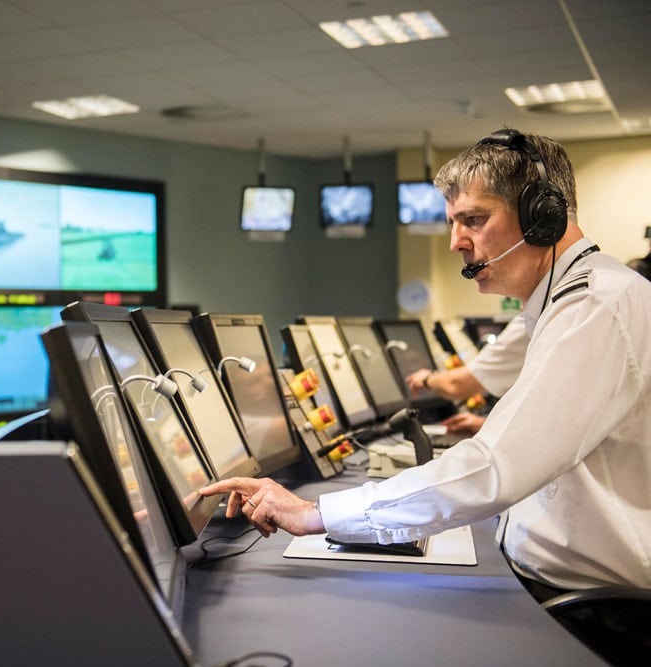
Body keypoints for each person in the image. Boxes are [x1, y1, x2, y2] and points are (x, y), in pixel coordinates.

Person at [201, 130, 651, 603]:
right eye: (453, 223)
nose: (456, 241)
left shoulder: (595, 308)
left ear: (543, 216)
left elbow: (493, 467)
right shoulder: (576, 299)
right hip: (559, 587)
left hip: (591, 612)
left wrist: (316, 515)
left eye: (473, 220)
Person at [405, 316, 528, 434]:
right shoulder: (535, 317)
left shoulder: (528, 323)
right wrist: (485, 424)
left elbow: (457, 385)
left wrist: (427, 379)